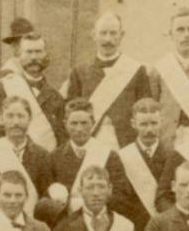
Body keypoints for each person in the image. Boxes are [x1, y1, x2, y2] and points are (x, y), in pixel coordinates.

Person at [65, 13, 158, 147]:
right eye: (103, 33)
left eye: (113, 33)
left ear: (122, 35)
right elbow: (71, 112)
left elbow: (144, 109)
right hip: (90, 139)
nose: (108, 39)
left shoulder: (137, 70)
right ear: (94, 35)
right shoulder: (79, 72)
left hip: (126, 141)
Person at [40, 98, 131, 226]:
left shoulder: (110, 156)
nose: (79, 128)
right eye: (74, 123)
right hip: (66, 226)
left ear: (93, 123)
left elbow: (122, 196)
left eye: (84, 123)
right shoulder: (53, 158)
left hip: (101, 223)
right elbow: (45, 199)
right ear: (65, 123)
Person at [0, 31, 65, 150]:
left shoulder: (55, 96)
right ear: (19, 55)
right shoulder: (2, 87)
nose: (34, 57)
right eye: (29, 52)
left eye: (38, 52)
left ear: (46, 55)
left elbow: (61, 137)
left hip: (44, 163)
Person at [0, 96, 52, 217]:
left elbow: (46, 200)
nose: (16, 122)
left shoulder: (42, 155)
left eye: (21, 116)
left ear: (29, 119)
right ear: (0, 119)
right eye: (10, 116)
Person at [115, 98, 173, 231]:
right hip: (135, 227)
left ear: (161, 122)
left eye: (154, 123)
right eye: (143, 124)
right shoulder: (122, 157)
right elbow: (120, 200)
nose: (149, 130)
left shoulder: (173, 155)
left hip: (167, 226)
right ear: (133, 124)